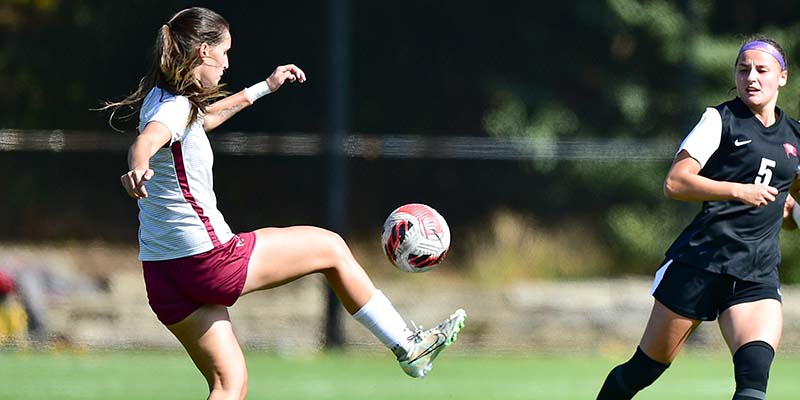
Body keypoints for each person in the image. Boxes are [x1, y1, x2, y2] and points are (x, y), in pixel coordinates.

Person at [102, 7, 466, 399]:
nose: (227, 63)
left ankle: (409, 348)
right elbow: (146, 142)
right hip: (206, 262)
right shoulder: (172, 109)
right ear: (204, 51)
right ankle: (408, 346)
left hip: (162, 275)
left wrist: (265, 87)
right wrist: (137, 168)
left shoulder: (164, 100)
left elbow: (200, 119)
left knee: (229, 385)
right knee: (330, 247)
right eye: (224, 52)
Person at [596, 36, 800, 400]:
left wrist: (789, 214)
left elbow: (791, 198)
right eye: (743, 70)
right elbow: (675, 182)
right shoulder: (719, 120)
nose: (751, 78)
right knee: (644, 369)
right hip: (701, 263)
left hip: (756, 273)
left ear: (782, 77)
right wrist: (738, 190)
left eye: (761, 70)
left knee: (754, 378)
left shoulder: (796, 137)